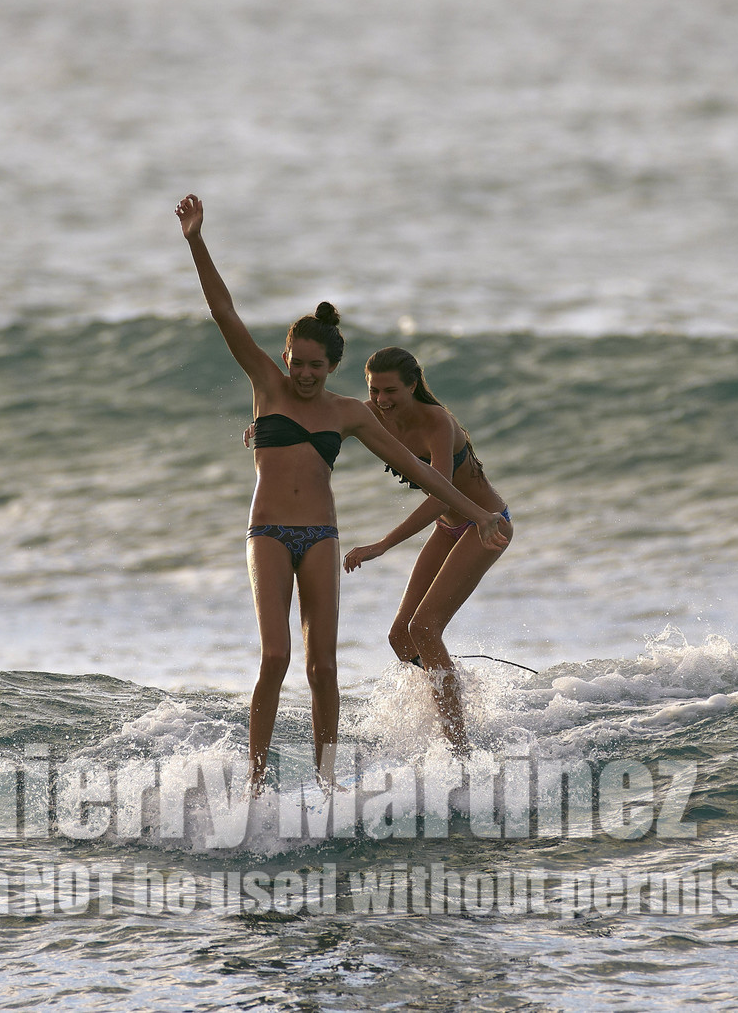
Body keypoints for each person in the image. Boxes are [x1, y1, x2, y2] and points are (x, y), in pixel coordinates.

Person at [175, 194, 509, 789]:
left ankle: (328, 783)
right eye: (297, 363)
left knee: (323, 668)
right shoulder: (266, 385)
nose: (304, 374)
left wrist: (477, 515)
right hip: (267, 532)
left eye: (316, 366)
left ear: (331, 366)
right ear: (284, 358)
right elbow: (224, 311)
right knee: (275, 657)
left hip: (322, 537)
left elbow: (425, 473)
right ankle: (255, 784)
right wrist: (197, 241)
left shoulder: (350, 412)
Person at [342, 346, 514, 749]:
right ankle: (451, 692)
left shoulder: (437, 421)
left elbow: (440, 496)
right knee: (401, 638)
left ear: (413, 385)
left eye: (390, 391)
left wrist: (383, 545)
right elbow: (317, 420)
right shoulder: (370, 414)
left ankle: (459, 746)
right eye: (374, 390)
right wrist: (265, 425)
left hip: (486, 525)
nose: (381, 400)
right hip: (448, 528)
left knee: (424, 628)